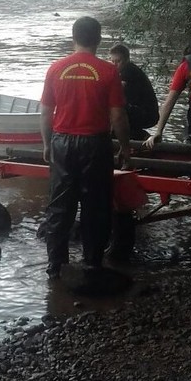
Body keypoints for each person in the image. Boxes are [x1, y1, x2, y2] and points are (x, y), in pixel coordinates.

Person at [40, 16, 132, 280]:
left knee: (59, 206)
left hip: (62, 141)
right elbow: (118, 117)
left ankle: (56, 267)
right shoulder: (108, 71)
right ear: (99, 40)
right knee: (96, 206)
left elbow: (46, 112)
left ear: (73, 38)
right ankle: (92, 264)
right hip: (95, 143)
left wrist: (47, 144)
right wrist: (125, 148)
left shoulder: (56, 68)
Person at [109, 43, 159, 140]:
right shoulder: (127, 70)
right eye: (112, 61)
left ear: (127, 59)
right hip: (142, 111)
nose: (115, 65)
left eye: (118, 61)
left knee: (114, 108)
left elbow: (117, 91)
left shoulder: (128, 70)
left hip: (146, 114)